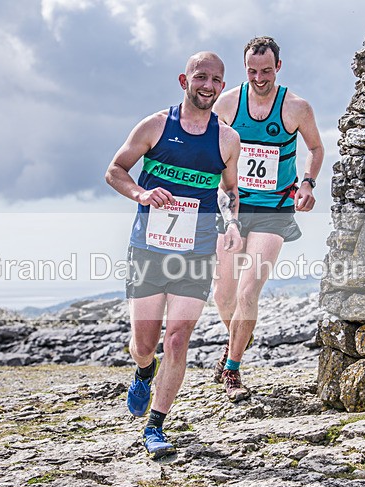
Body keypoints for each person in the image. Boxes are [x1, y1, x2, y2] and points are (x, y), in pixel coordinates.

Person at [105, 52, 242, 458]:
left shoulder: (227, 139)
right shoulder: (155, 126)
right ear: (185, 79)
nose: (209, 86)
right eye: (201, 77)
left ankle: (156, 426)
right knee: (144, 343)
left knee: (178, 339)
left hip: (196, 250)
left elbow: (230, 192)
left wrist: (232, 222)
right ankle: (144, 371)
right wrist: (142, 193)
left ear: (222, 86)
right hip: (148, 248)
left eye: (217, 80)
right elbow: (115, 170)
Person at [211, 36, 324, 401]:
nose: (260, 78)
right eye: (252, 71)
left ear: (279, 67)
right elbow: (207, 148)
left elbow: (316, 148)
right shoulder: (227, 103)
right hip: (233, 206)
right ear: (245, 69)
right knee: (223, 294)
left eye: (267, 70)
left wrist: (307, 183)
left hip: (274, 209)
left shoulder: (296, 107)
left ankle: (233, 369)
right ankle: (240, 336)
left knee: (247, 292)